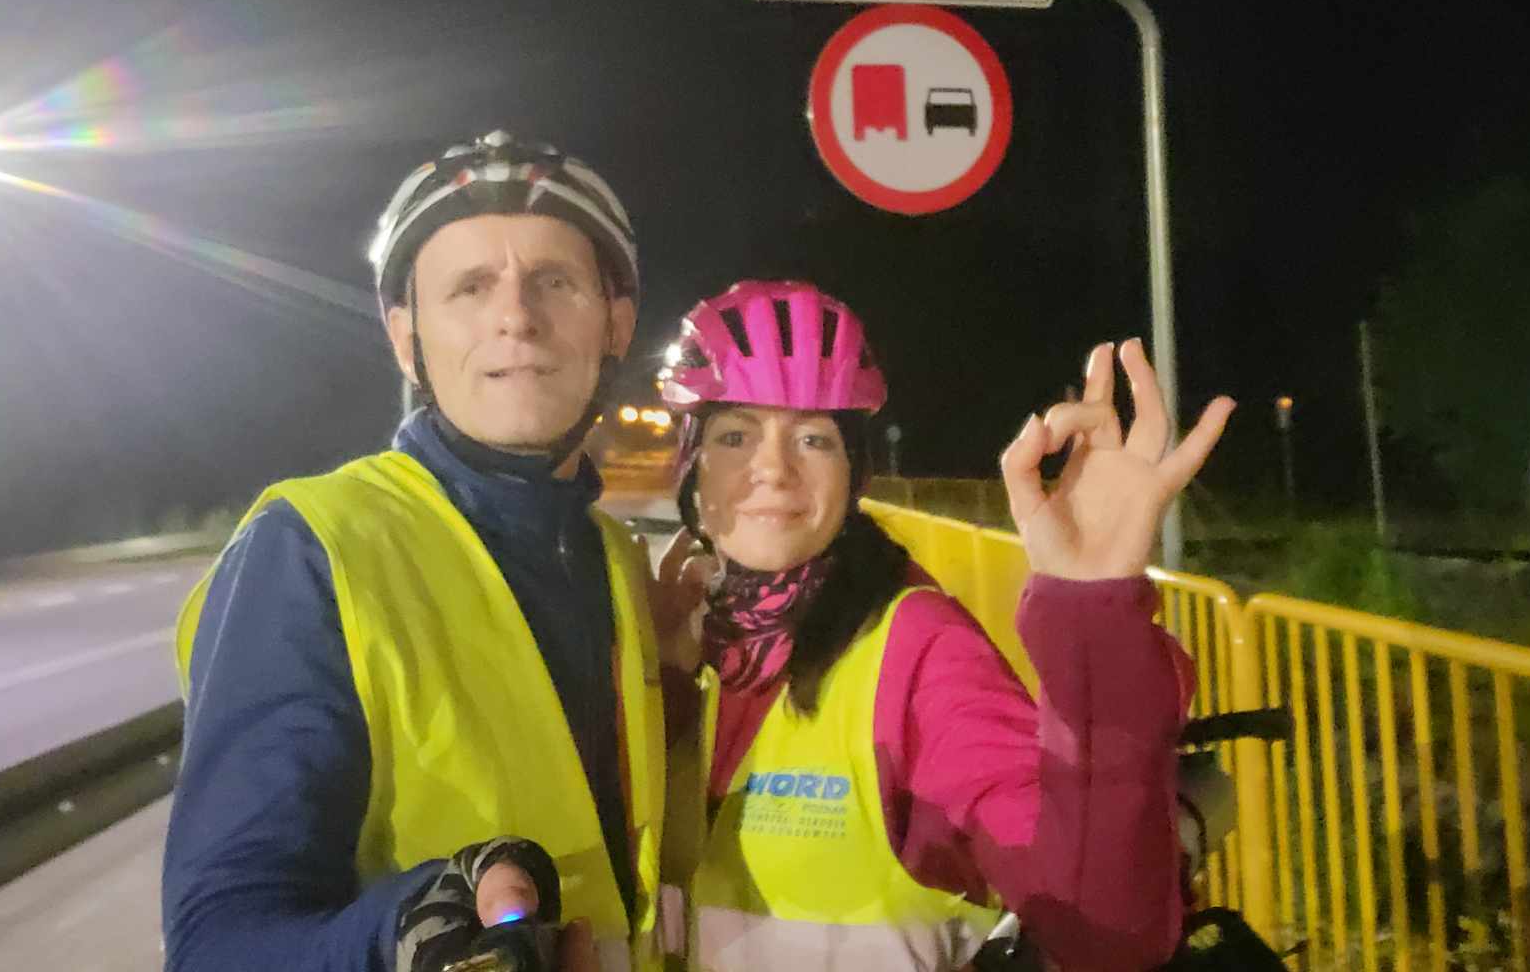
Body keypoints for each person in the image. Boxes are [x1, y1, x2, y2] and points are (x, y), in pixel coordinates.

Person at [163, 131, 664, 972]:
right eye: (471, 287)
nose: (516, 317)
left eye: (555, 281)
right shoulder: (312, 549)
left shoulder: (613, 557)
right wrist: (409, 931)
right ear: (407, 338)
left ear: (616, 324)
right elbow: (219, 942)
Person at [651, 280, 1233, 972]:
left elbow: (1098, 929)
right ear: (690, 466)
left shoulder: (918, 650)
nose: (773, 469)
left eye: (813, 438)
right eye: (734, 435)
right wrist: (664, 679)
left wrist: (1092, 609)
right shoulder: (663, 637)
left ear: (854, 472)